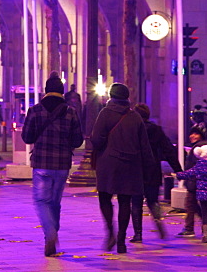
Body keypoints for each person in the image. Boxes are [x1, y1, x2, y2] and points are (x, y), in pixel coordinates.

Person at [21, 72, 83, 257]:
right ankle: (53, 233)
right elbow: (78, 140)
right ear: (62, 92)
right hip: (62, 163)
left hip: (41, 163)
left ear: (46, 91)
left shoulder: (35, 110)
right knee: (55, 202)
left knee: (41, 200)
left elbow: (27, 137)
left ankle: (50, 234)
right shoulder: (71, 112)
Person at [91, 82, 153, 254]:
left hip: (108, 164)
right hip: (130, 165)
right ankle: (121, 241)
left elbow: (96, 140)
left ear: (111, 96)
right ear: (127, 98)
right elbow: (144, 147)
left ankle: (110, 231)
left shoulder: (104, 114)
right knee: (125, 201)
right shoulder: (135, 117)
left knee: (105, 197)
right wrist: (148, 170)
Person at [130, 103, 181, 242]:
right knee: (153, 201)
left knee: (136, 202)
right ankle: (158, 219)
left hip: (136, 170)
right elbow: (168, 150)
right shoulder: (156, 130)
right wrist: (178, 169)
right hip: (153, 170)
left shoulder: (133, 130)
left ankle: (138, 233)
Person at [179, 123, 207, 237]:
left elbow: (192, 167)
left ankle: (189, 228)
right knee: (203, 206)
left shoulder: (197, 149)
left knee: (190, 204)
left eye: (196, 134)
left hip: (194, 182)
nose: (192, 136)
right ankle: (206, 226)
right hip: (206, 183)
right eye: (191, 134)